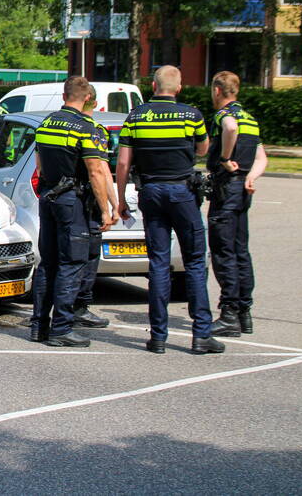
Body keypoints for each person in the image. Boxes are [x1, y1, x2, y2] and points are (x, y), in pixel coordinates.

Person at [116, 65, 222, 355]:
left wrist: (120, 199)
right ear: (179, 88)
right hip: (182, 193)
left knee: (158, 264)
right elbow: (202, 150)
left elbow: (123, 162)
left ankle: (158, 337)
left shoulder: (136, 116)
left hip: (150, 192)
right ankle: (201, 335)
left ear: (153, 86)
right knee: (195, 262)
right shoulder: (191, 115)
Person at [31, 76, 116, 347]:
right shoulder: (85, 127)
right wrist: (105, 210)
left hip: (48, 198)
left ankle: (39, 326)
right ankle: (62, 329)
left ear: (64, 95)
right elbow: (95, 170)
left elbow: (40, 165)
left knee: (49, 263)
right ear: (87, 98)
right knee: (72, 264)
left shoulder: (46, 123)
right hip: (72, 201)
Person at [206, 71, 268, 337]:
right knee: (241, 250)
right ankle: (244, 312)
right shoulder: (251, 120)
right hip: (243, 189)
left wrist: (224, 157)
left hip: (226, 188)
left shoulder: (224, 115)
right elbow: (262, 157)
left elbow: (230, 128)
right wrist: (251, 176)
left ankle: (228, 313)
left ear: (218, 91)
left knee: (223, 251)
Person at [73, 85, 119, 329]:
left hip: (66, 201)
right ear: (94, 102)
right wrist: (109, 207)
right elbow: (100, 171)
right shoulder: (92, 130)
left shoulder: (58, 125)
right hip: (86, 203)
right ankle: (80, 307)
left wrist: (114, 204)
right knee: (89, 256)